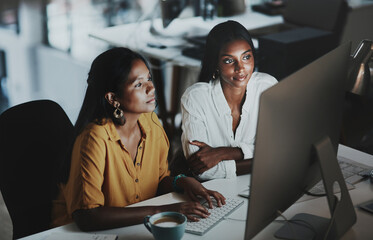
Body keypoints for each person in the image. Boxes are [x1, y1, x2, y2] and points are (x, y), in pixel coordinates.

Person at [51, 47, 226, 231]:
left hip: (133, 226)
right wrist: (161, 211)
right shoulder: (95, 138)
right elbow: (88, 217)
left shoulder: (151, 122)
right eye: (138, 84)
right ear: (112, 98)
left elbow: (157, 182)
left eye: (149, 78)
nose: (151, 88)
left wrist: (181, 182)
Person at [181, 20, 278, 181]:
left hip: (262, 181)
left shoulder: (266, 86)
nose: (240, 68)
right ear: (216, 63)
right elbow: (202, 170)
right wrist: (263, 159)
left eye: (246, 57)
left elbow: (281, 147)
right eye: (229, 60)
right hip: (215, 193)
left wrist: (224, 153)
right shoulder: (195, 98)